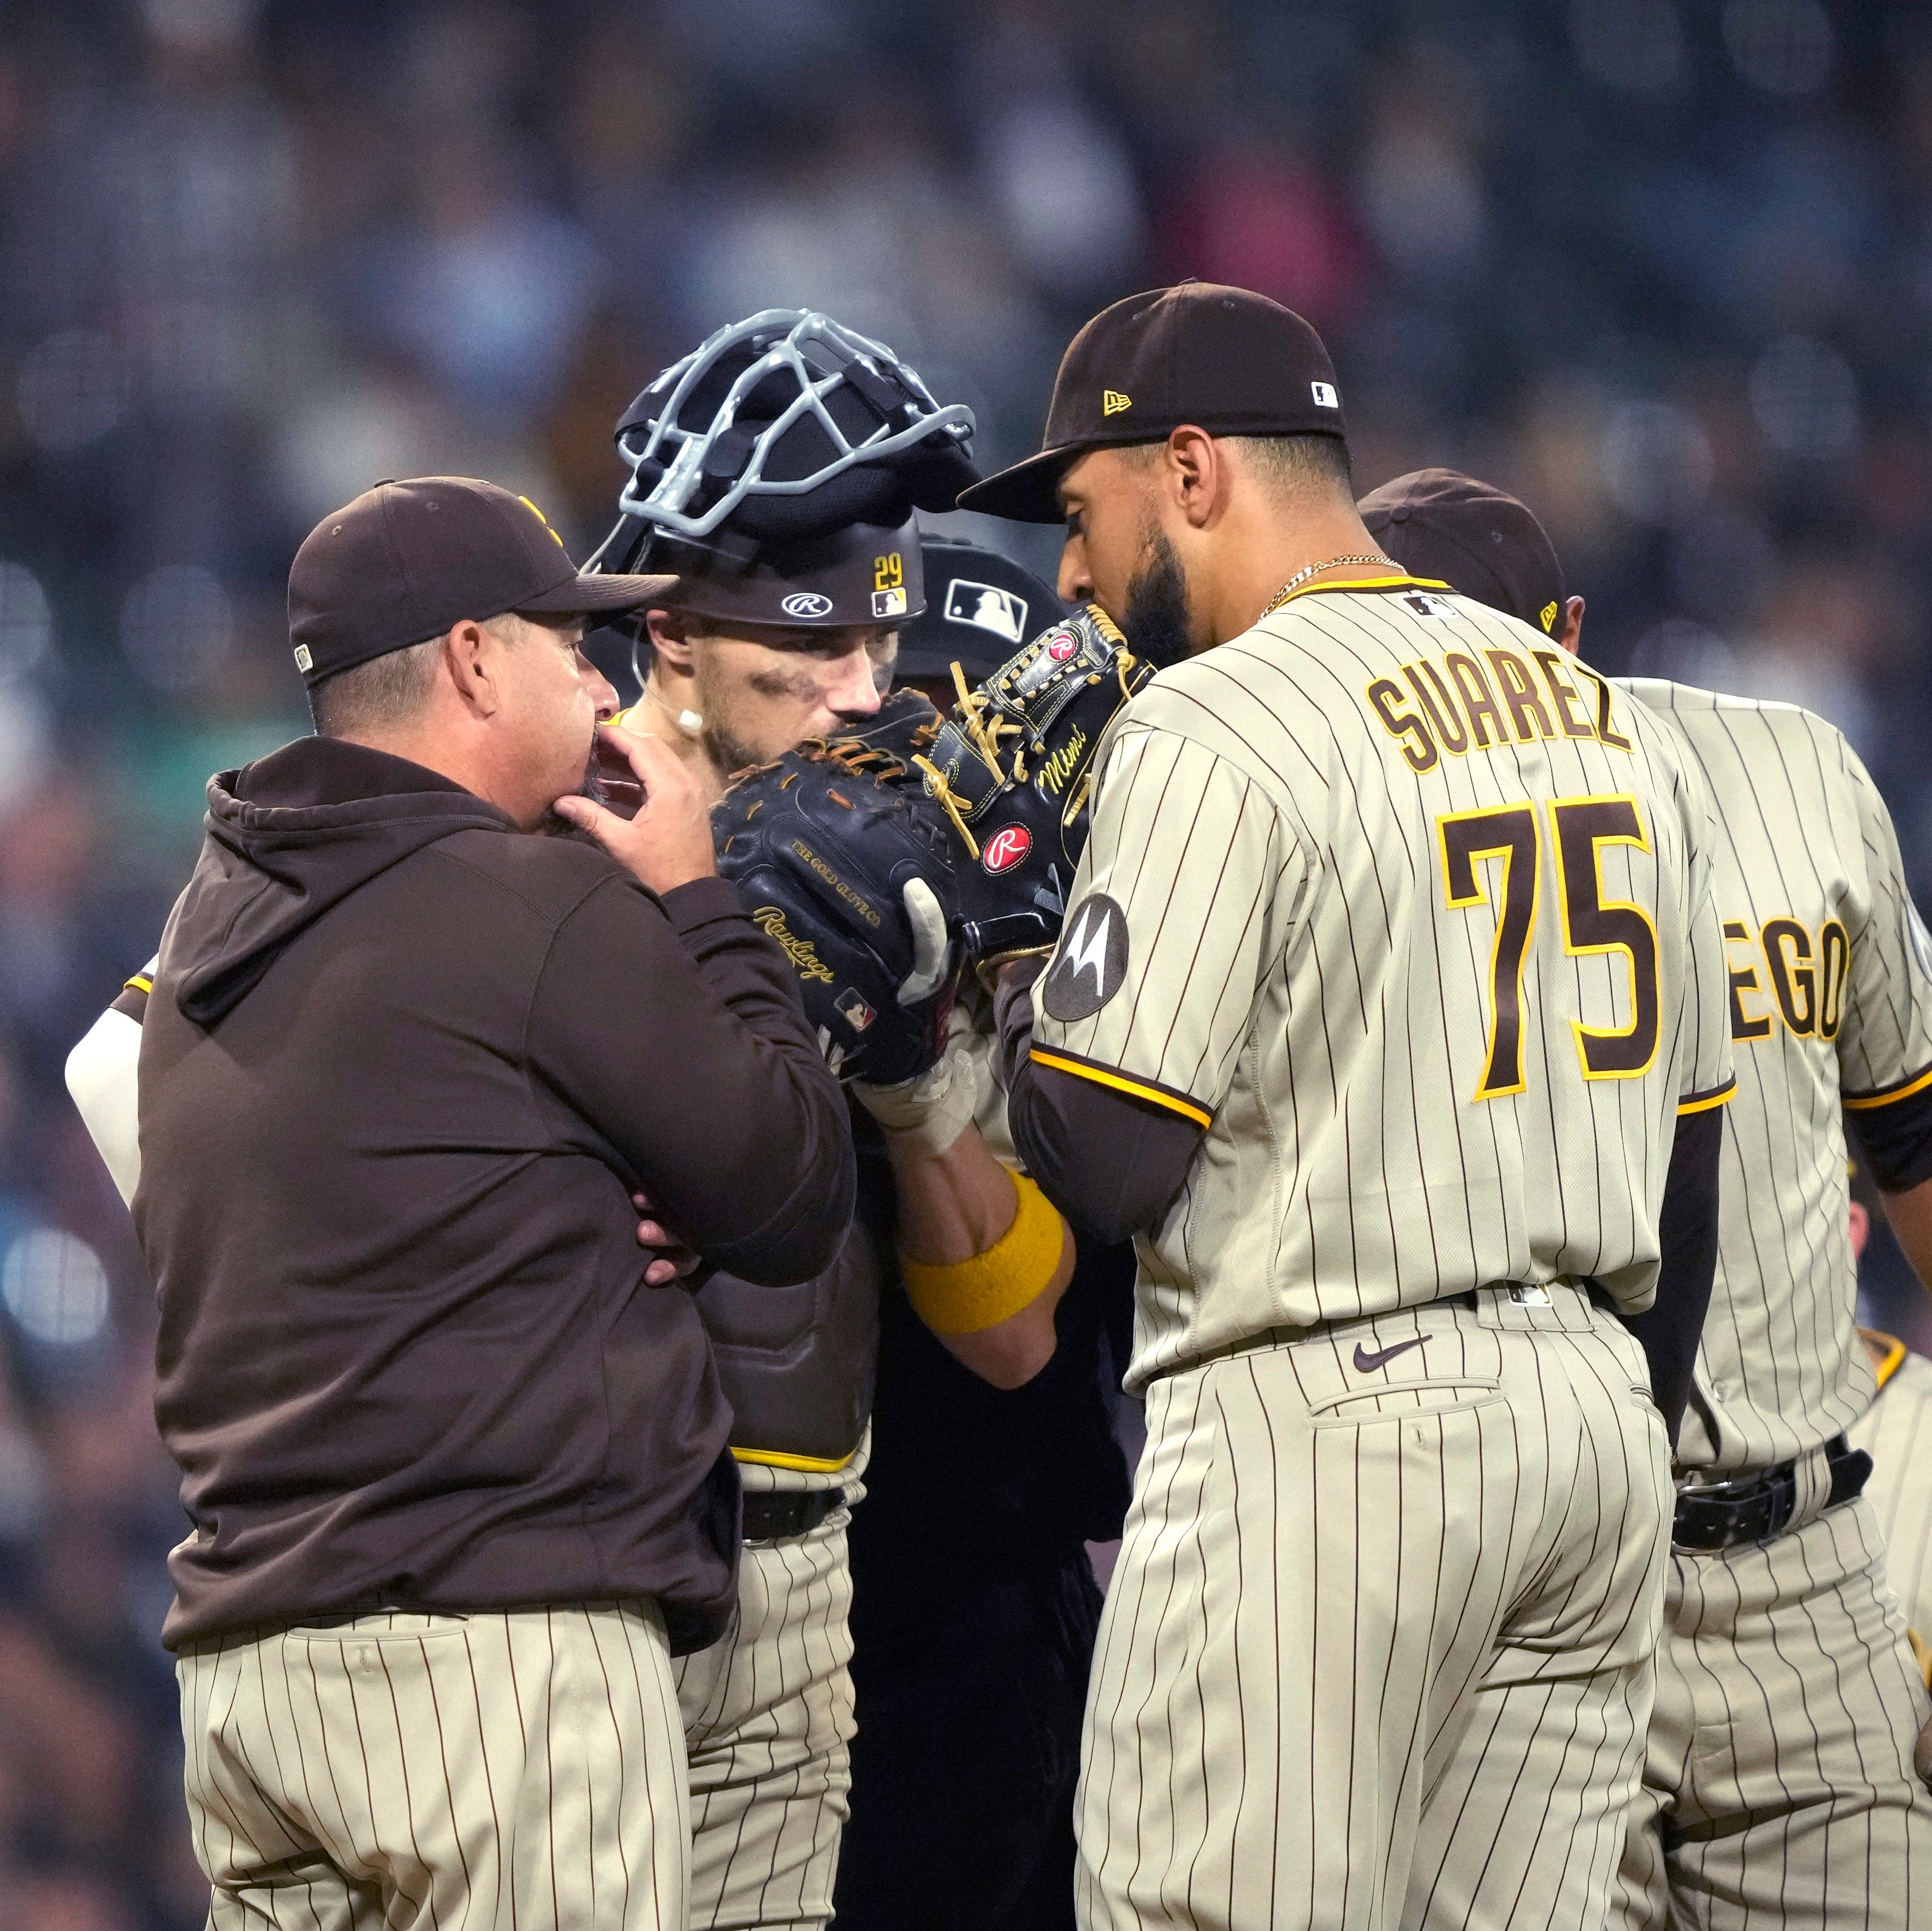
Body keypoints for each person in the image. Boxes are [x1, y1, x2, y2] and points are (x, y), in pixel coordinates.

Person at [959, 283, 1735, 1931]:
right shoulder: (1605, 716)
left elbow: (1104, 1153)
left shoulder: (1213, 719)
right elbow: (1692, 1164)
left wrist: (1014, 977)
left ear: (1189, 471)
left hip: (1330, 1435)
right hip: (1591, 1436)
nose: (1074, 582)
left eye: (1083, 520)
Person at [76, 476, 855, 1931]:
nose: (601, 675)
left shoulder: (200, 936)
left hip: (252, 1691)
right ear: (473, 659)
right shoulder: (530, 906)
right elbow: (790, 1189)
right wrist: (698, 897)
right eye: (568, 642)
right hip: (492, 1667)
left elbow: (100, 1076)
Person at [586, 311, 1132, 1931]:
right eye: (806, 653)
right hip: (651, 1610)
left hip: (965, 1610)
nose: (857, 698)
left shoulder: (973, 767)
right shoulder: (557, 805)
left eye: (874, 648)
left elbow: (1030, 1341)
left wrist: (913, 1056)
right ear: (671, 635)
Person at [1365, 464, 1932, 1924]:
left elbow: (1916, 1136)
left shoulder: (1796, 774)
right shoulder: (1341, 848)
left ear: (1568, 633)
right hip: (1532, 1592)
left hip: (1804, 1569)